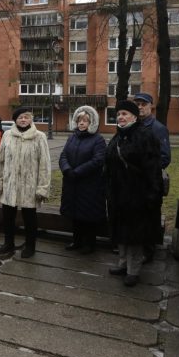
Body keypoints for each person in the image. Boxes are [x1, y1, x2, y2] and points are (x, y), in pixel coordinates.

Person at [105, 101, 163, 286]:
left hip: (137, 196)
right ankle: (122, 264)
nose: (121, 117)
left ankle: (133, 270)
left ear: (134, 117)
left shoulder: (145, 136)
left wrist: (153, 195)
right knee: (121, 233)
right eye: (119, 114)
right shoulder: (118, 137)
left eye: (125, 113)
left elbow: (153, 168)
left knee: (135, 236)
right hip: (118, 196)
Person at [0, 107, 51, 259]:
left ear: (31, 119)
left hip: (29, 185)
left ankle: (30, 245)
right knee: (7, 216)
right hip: (10, 184)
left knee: (29, 217)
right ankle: (8, 243)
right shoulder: (7, 135)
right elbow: (0, 161)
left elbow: (45, 164)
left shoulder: (39, 137)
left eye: (26, 117)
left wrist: (42, 187)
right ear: (15, 120)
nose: (23, 120)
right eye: (20, 117)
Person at [59, 106, 107, 254]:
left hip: (89, 184)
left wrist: (78, 172)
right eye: (79, 120)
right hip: (72, 183)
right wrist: (67, 169)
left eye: (85, 121)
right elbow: (63, 155)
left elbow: (98, 160)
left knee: (88, 215)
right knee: (75, 214)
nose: (81, 123)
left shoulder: (98, 139)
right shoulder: (72, 137)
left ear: (92, 123)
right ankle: (77, 241)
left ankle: (89, 244)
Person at [131, 92, 170, 263]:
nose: (140, 107)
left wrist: (143, 169)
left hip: (150, 183)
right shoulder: (133, 126)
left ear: (150, 106)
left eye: (143, 104)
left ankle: (149, 251)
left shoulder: (158, 128)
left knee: (150, 217)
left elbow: (165, 157)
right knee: (136, 216)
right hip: (134, 183)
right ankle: (135, 248)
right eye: (137, 104)